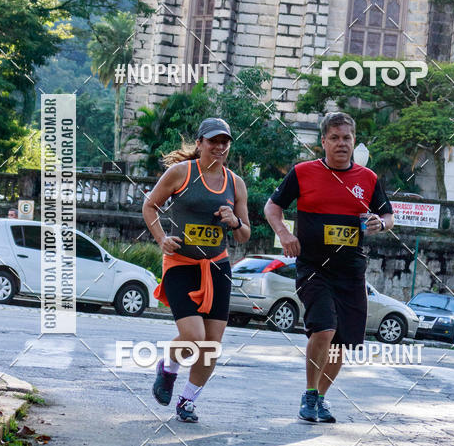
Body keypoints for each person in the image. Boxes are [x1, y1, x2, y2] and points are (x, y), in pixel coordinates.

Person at [264, 112, 394, 423]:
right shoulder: (302, 172)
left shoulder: (368, 178)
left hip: (351, 271)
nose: (340, 143)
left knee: (342, 341)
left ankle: (321, 398)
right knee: (324, 327)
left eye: (346, 138)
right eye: (334, 138)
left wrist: (380, 223)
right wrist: (284, 234)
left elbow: (388, 216)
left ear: (353, 142)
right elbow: (272, 206)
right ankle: (309, 395)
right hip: (313, 267)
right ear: (323, 142)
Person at [142, 118, 250, 422]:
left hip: (218, 268)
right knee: (193, 336)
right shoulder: (180, 173)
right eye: (212, 141)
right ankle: (168, 366)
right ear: (200, 143)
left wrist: (235, 221)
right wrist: (162, 238)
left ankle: (187, 400)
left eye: (224, 142)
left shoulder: (235, 183)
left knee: (211, 346)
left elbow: (245, 235)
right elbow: (150, 206)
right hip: (181, 265)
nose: (218, 147)